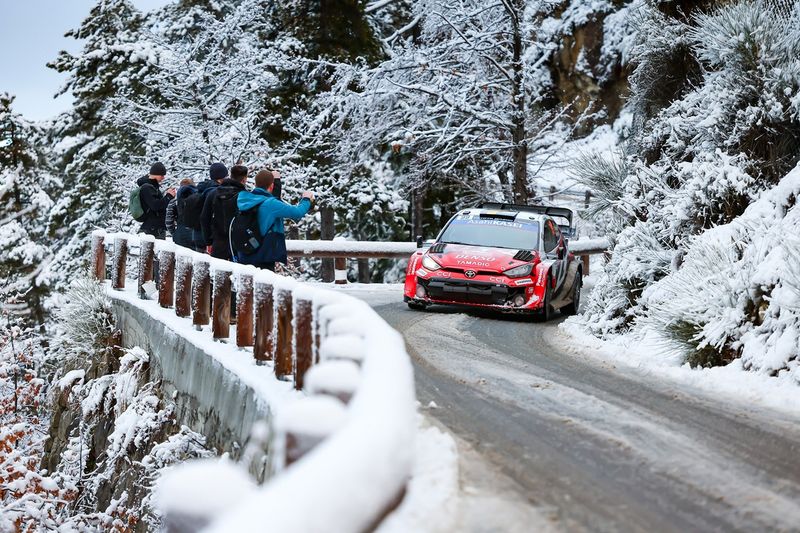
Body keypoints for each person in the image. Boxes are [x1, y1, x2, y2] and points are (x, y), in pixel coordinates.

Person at [236, 169, 314, 271]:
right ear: (271, 186)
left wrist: (276, 180)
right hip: (264, 256)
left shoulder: (243, 199)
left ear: (255, 184)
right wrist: (306, 199)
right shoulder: (271, 204)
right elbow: (297, 213)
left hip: (245, 252)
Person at [200, 164, 249, 260]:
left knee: (219, 272)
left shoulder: (213, 193)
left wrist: (208, 241)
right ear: (244, 179)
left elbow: (204, 218)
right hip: (239, 244)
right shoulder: (245, 196)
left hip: (218, 243)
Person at [184, 162, 228, 251]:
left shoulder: (201, 189)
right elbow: (208, 217)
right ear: (220, 178)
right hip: (208, 238)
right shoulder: (215, 192)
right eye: (226, 176)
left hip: (197, 234)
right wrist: (209, 241)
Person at [137, 162, 175, 239]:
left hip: (154, 228)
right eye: (162, 175)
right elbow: (155, 206)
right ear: (155, 174)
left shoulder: (152, 187)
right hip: (152, 229)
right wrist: (168, 196)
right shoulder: (147, 188)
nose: (163, 178)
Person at [166, 178, 196, 249]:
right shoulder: (199, 199)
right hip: (195, 234)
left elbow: (168, 221)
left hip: (180, 234)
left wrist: (174, 233)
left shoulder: (173, 202)